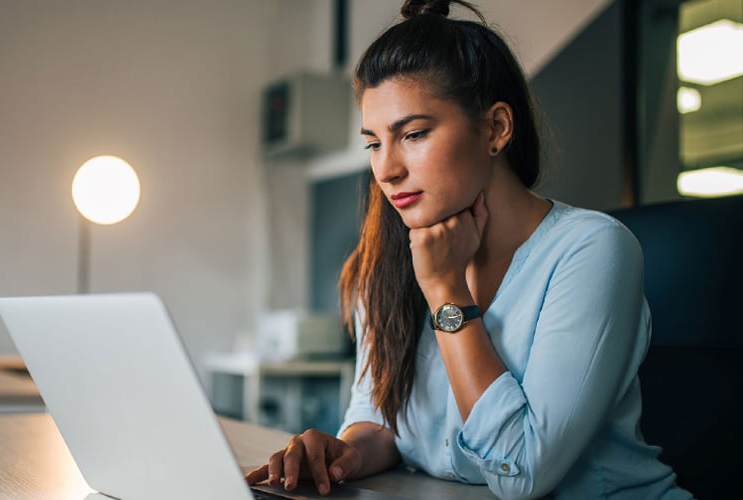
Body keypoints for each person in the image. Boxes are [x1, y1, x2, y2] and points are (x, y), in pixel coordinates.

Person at [245, 1, 693, 498]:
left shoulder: (592, 250)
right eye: (374, 144)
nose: (387, 169)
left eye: (413, 134)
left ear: (496, 128)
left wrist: (445, 292)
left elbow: (520, 471)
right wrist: (346, 452)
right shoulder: (389, 263)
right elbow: (379, 421)